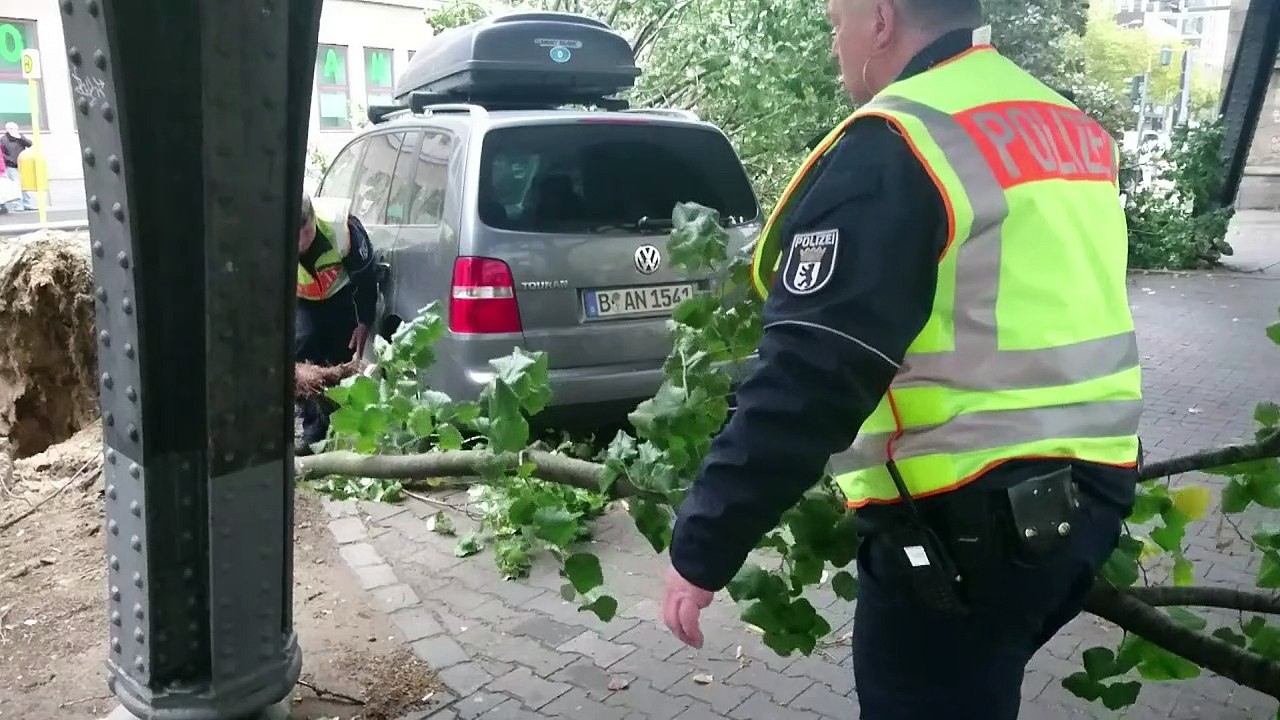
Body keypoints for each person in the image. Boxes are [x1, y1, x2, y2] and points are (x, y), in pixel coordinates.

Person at [660, 1, 1143, 718]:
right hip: (1088, 502)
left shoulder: (904, 140)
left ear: (880, 19)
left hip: (968, 524)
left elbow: (815, 372)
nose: (835, 42)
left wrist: (701, 546)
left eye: (836, 20)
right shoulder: (1065, 124)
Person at [295, 194, 378, 456]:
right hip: (302, 299)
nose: (300, 243)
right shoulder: (269, 234)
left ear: (312, 221)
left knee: (342, 354)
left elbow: (366, 278)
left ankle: (344, 426)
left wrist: (364, 321)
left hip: (339, 295)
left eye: (305, 233)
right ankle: (314, 431)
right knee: (303, 351)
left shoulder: (343, 230)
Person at [1, 123, 35, 213]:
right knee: (16, 185)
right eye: (11, 128)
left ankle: (27, 204)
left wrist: (20, 138)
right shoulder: (3, 139)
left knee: (24, 184)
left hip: (22, 165)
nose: (14, 130)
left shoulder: (20, 138)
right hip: (11, 165)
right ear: (7, 129)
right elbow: (3, 154)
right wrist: (10, 160)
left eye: (16, 128)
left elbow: (30, 144)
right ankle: (18, 205)